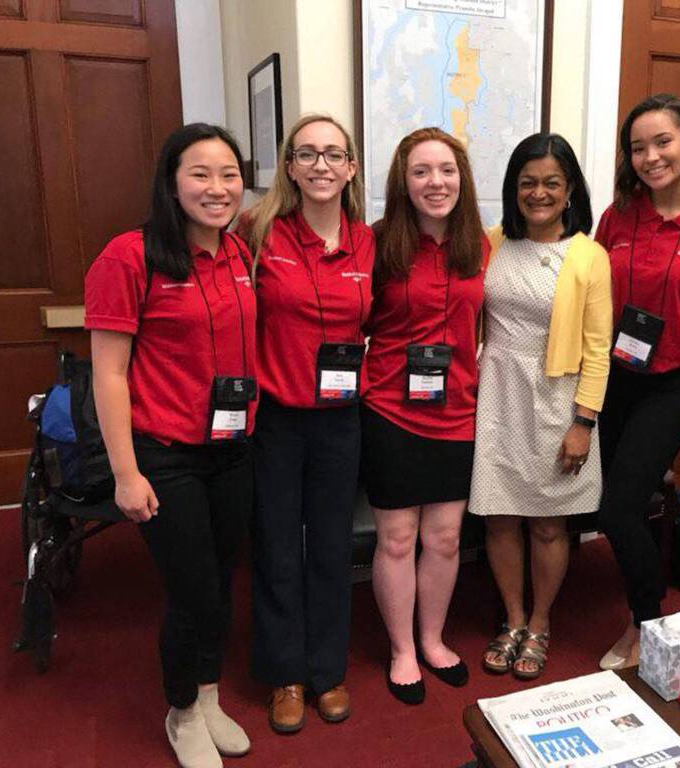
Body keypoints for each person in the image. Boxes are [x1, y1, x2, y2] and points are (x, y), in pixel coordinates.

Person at [86, 123, 255, 768]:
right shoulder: (130, 256)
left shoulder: (238, 252)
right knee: (192, 591)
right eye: (200, 174)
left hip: (233, 447)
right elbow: (109, 373)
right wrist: (126, 474)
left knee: (223, 579)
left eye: (229, 175)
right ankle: (181, 710)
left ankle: (209, 695)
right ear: (172, 182)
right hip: (165, 453)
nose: (218, 188)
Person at [238, 114, 374, 732]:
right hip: (276, 418)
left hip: (340, 419)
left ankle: (327, 671)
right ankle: (284, 674)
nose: (321, 165)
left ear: (351, 168)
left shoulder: (367, 242)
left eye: (333, 154)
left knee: (330, 545)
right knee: (275, 545)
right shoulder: (258, 232)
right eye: (308, 154)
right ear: (290, 167)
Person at [593, 94, 680, 670]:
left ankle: (644, 622)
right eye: (638, 147)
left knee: (618, 508)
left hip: (671, 384)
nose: (650, 157)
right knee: (629, 499)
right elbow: (593, 297)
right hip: (612, 380)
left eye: (663, 142)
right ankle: (650, 593)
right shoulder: (618, 216)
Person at [470, 133, 612, 680]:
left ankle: (540, 621)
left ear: (570, 188)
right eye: (528, 182)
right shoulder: (492, 242)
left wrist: (583, 422)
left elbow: (597, 349)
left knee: (549, 526)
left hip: (557, 399)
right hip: (497, 394)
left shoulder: (588, 256)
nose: (539, 193)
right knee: (500, 518)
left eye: (552, 182)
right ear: (513, 187)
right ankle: (511, 618)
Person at [361, 127, 488, 704]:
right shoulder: (376, 245)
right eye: (421, 171)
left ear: (462, 179)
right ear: (403, 182)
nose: (435, 182)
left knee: (445, 538)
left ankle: (432, 639)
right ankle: (401, 650)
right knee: (396, 538)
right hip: (390, 409)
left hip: (458, 410)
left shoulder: (479, 246)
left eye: (446, 170)